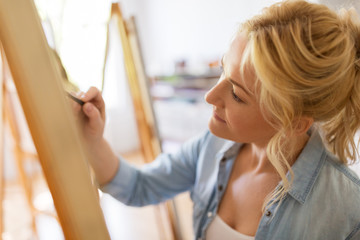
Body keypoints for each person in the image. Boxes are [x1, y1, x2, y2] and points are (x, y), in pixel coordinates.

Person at [73, 0, 360, 239]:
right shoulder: (212, 147)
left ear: (294, 121)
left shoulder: (347, 209)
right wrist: (93, 139)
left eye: (236, 94)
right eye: (224, 71)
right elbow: (138, 186)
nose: (210, 96)